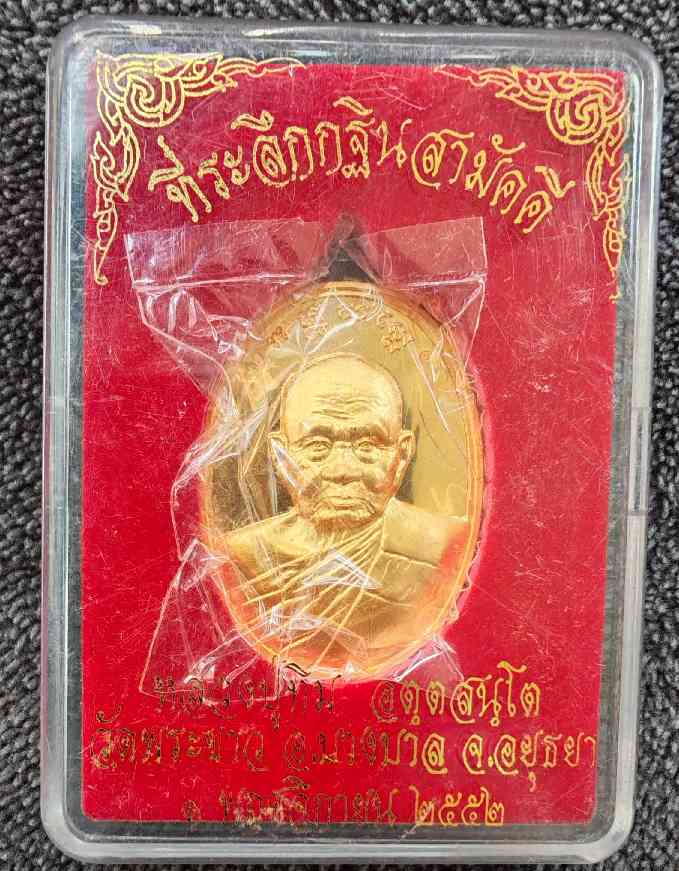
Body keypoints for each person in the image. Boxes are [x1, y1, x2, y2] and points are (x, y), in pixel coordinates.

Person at [221, 352, 469, 678]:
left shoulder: (442, 545)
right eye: (317, 446)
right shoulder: (243, 556)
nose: (342, 470)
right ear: (280, 455)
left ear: (402, 453)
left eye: (367, 445)